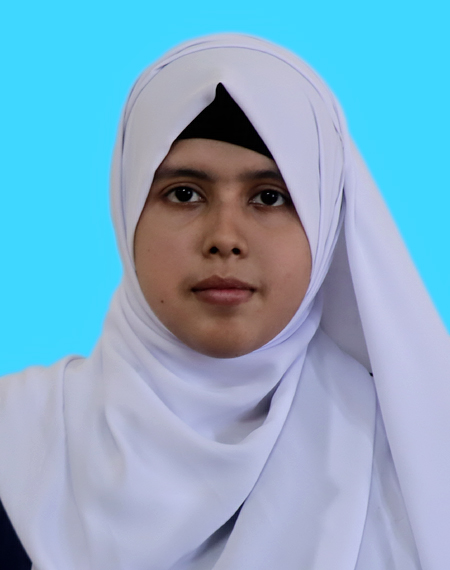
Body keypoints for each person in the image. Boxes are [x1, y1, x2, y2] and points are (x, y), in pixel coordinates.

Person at [0, 33, 449, 570]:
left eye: (270, 197)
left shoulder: (418, 456)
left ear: (327, 222)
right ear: (126, 209)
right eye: (184, 193)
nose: (225, 238)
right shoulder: (12, 439)